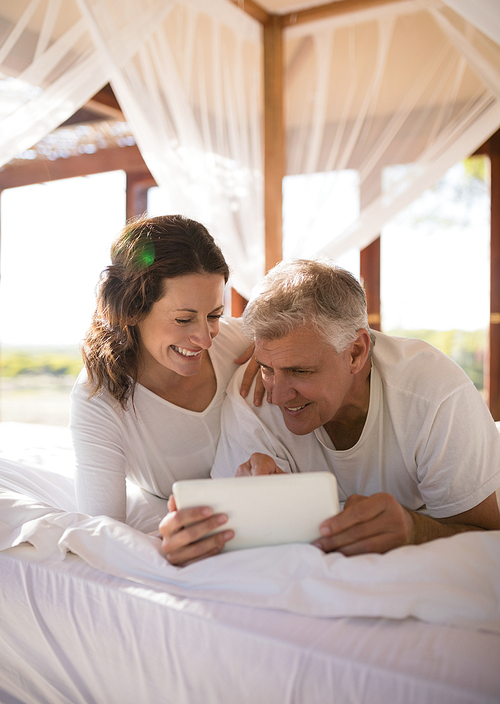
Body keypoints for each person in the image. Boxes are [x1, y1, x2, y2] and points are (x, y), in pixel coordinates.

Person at [161, 258, 500, 564]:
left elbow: (488, 536)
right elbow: (228, 545)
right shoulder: (253, 395)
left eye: (300, 371)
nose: (277, 396)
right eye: (266, 366)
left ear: (355, 352)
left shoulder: (433, 393)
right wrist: (206, 530)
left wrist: (417, 529)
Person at [70, 214, 259, 531]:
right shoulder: (98, 399)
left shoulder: (238, 341)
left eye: (214, 315)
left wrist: (278, 350)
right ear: (131, 310)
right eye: (184, 320)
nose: (205, 337)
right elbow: (102, 532)